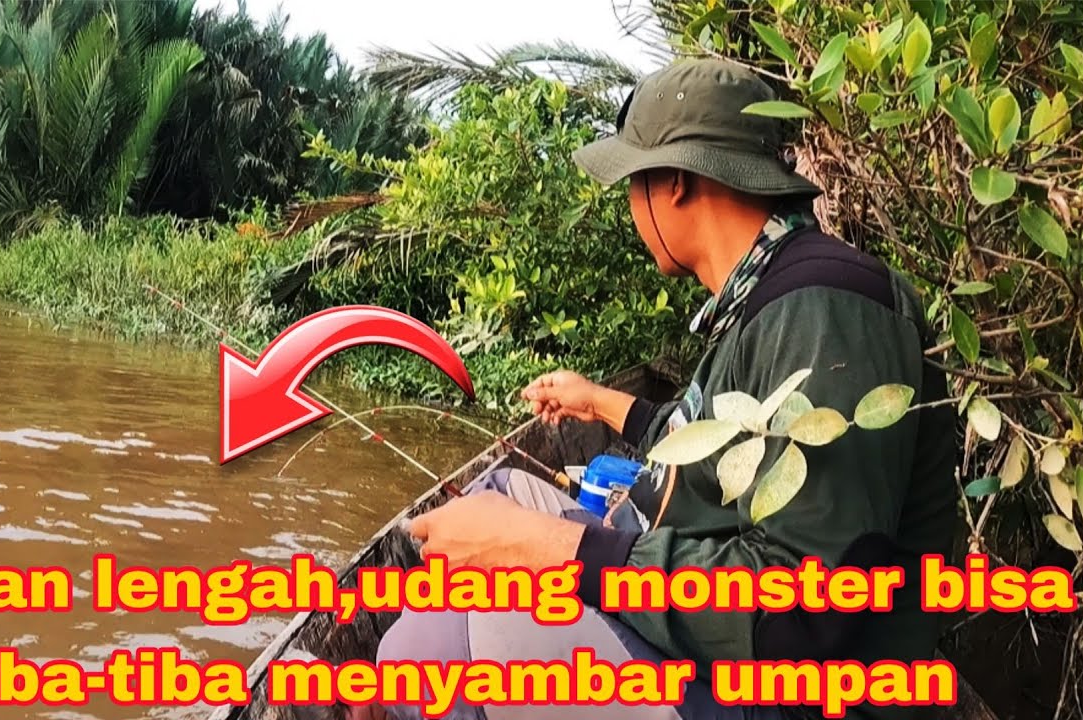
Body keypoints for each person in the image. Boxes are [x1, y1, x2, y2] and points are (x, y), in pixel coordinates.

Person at [362, 58, 957, 720]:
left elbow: (802, 616)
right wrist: (597, 401)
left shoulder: (826, 310)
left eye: (632, 182)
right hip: (700, 613)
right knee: (496, 493)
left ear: (674, 181)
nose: (630, 207)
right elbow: (703, 441)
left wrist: (555, 550)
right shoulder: (768, 297)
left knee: (424, 656)